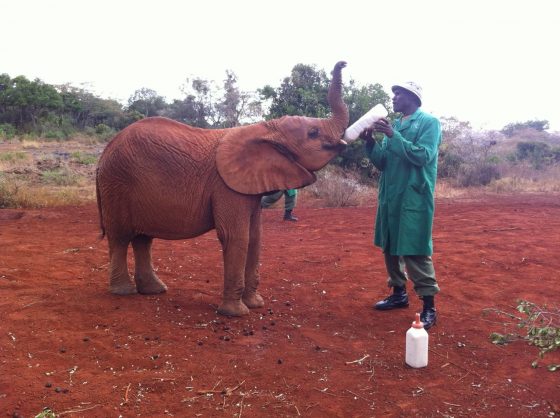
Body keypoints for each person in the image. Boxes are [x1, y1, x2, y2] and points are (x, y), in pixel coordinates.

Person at [360, 81, 442, 330]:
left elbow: (423, 155)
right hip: (390, 195)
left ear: (412, 97)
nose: (393, 98)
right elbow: (384, 162)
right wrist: (371, 142)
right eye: (394, 94)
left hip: (413, 196)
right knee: (390, 245)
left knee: (414, 248)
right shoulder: (395, 125)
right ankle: (399, 294)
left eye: (398, 94)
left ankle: (429, 306)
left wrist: (393, 136)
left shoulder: (429, 122)